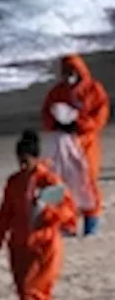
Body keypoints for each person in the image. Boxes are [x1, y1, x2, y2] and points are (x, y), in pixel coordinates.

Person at [0, 130, 77, 300]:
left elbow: (67, 212)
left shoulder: (48, 181)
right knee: (24, 294)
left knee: (34, 291)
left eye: (26, 159)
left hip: (43, 246)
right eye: (19, 160)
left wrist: (48, 211)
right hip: (19, 246)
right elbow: (5, 212)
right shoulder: (14, 182)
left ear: (35, 158)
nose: (22, 164)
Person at [41, 53, 109, 237]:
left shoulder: (94, 90)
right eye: (66, 72)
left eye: (73, 71)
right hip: (63, 144)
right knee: (62, 183)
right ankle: (67, 222)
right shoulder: (57, 92)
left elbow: (99, 118)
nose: (70, 76)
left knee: (87, 181)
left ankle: (91, 221)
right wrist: (57, 124)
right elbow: (46, 115)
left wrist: (78, 122)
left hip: (86, 144)